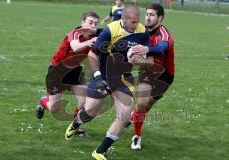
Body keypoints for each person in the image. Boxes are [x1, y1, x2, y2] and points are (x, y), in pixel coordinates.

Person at [65, 5, 150, 160]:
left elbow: (145, 57)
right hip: (103, 74)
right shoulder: (110, 30)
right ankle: (77, 123)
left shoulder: (142, 31)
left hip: (124, 77)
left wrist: (139, 58)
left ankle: (100, 151)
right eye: (132, 22)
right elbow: (92, 54)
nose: (136, 25)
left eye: (138, 21)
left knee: (124, 115)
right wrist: (97, 77)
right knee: (91, 111)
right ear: (123, 19)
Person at [36, 11, 100, 135]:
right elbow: (75, 47)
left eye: (95, 24)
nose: (93, 26)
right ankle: (43, 102)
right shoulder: (74, 33)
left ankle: (75, 128)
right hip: (57, 71)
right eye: (90, 22)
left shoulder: (96, 36)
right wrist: (88, 43)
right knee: (54, 108)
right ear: (82, 23)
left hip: (74, 70)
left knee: (83, 103)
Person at [129, 3, 175, 150]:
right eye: (147, 14)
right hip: (147, 71)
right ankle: (136, 136)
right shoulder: (141, 31)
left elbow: (162, 47)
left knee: (146, 105)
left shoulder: (164, 34)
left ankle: (133, 117)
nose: (148, 17)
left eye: (152, 15)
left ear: (160, 18)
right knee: (142, 103)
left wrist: (146, 49)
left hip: (165, 75)